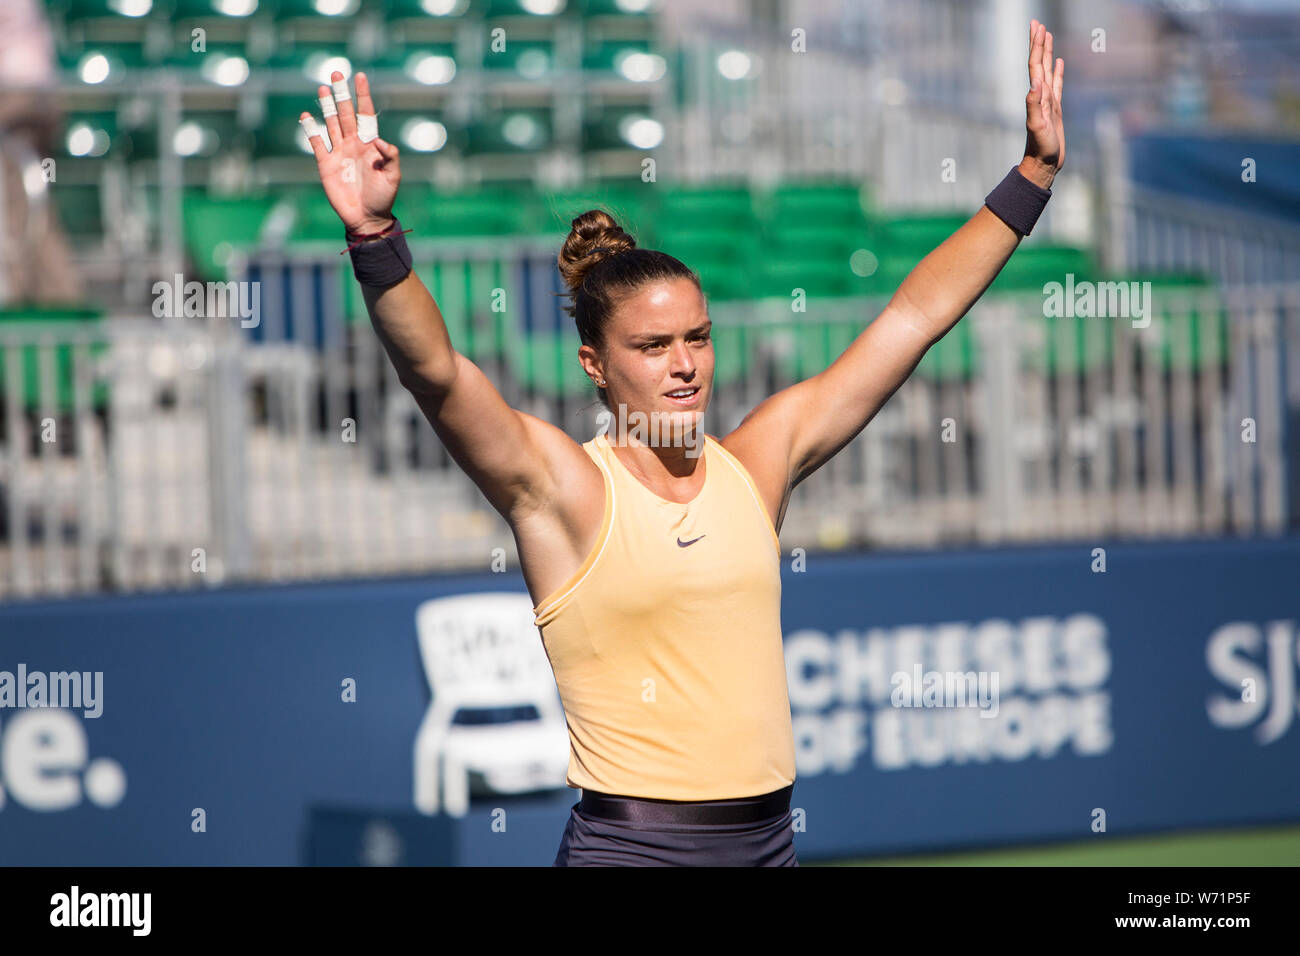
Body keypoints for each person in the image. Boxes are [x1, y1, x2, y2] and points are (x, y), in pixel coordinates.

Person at [299, 20, 1066, 866]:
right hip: (631, 851)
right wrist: (374, 237)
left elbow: (914, 318)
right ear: (594, 363)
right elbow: (437, 375)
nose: (684, 366)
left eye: (697, 339)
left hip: (770, 845)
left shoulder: (756, 463)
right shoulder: (565, 490)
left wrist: (1032, 178)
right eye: (653, 347)